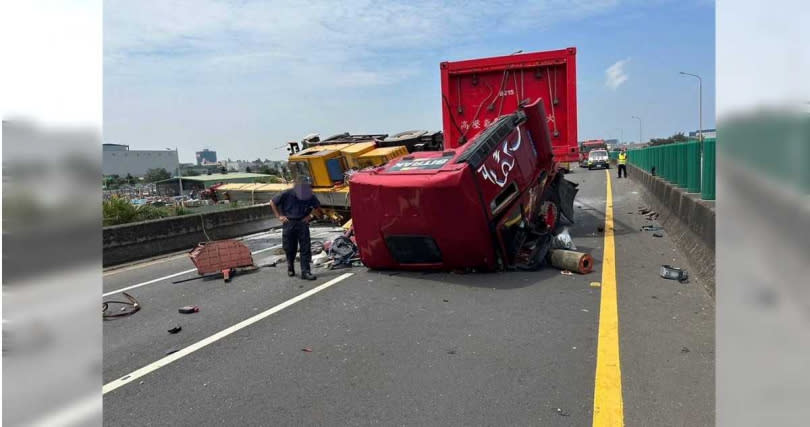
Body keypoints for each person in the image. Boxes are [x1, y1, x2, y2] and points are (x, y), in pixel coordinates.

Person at [270, 177, 321, 280]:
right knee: (289, 248)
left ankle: (305, 271)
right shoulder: (286, 194)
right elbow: (272, 202)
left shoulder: (309, 195)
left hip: (302, 223)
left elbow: (317, 207)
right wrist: (279, 216)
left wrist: (310, 216)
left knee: (305, 248)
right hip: (289, 223)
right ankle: (290, 266)